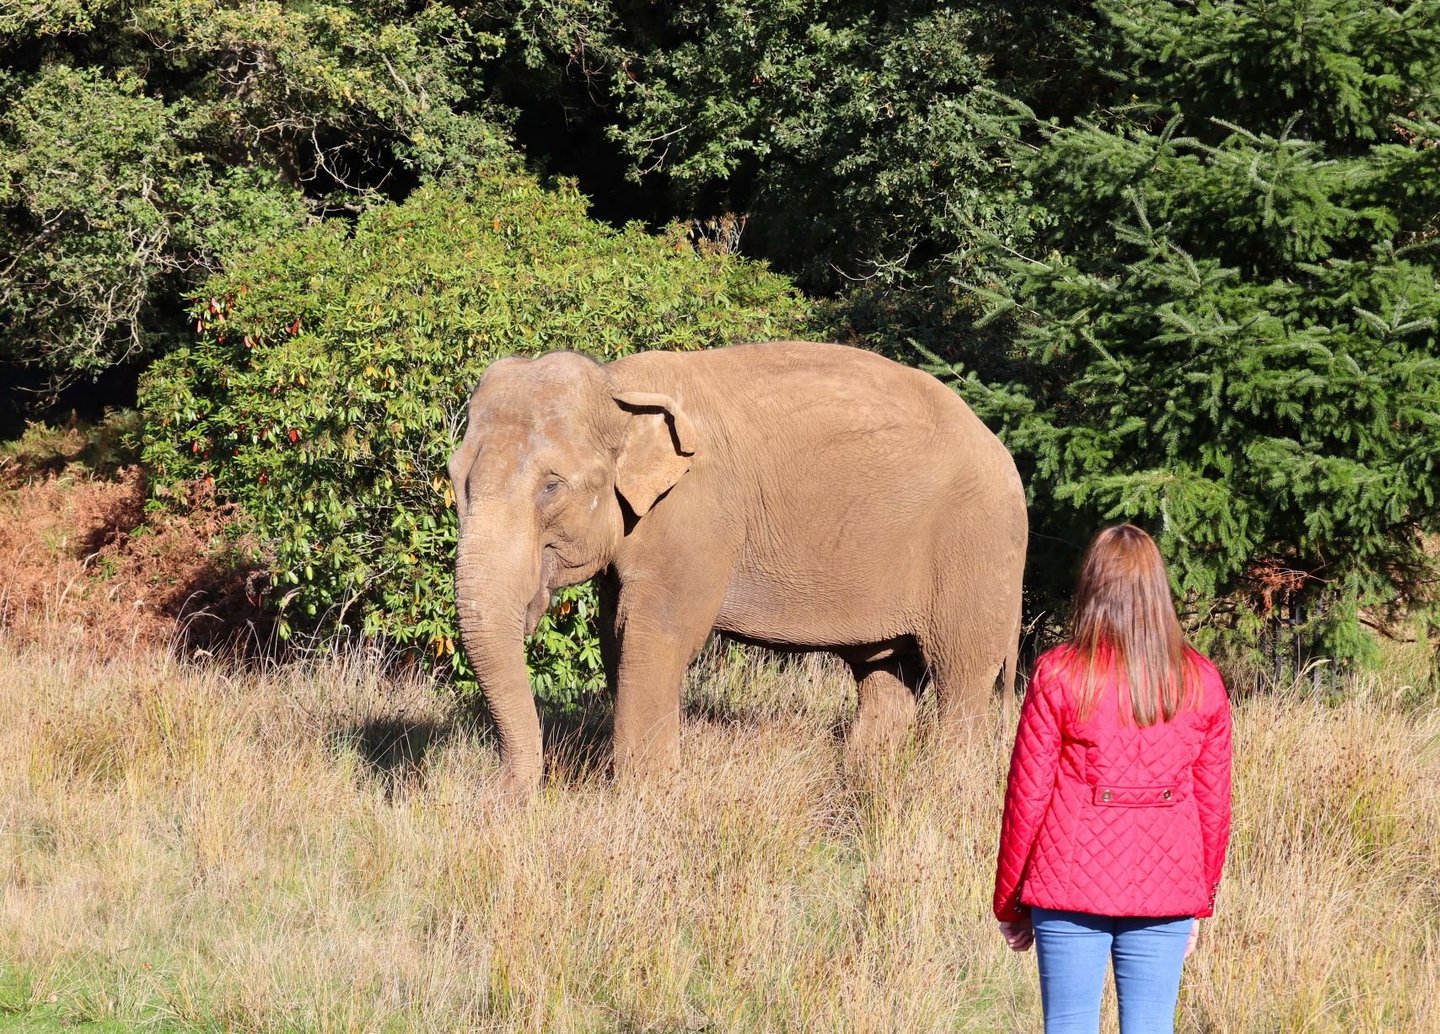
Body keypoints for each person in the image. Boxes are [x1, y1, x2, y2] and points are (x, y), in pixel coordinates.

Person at [993, 524, 1233, 1034]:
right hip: (1167, 887)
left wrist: (1010, 900)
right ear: (1157, 592)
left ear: (1092, 588)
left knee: (1069, 1025)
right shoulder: (1201, 681)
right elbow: (1214, 808)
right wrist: (1200, 899)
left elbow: (1026, 799)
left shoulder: (1058, 673)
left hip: (1065, 881)